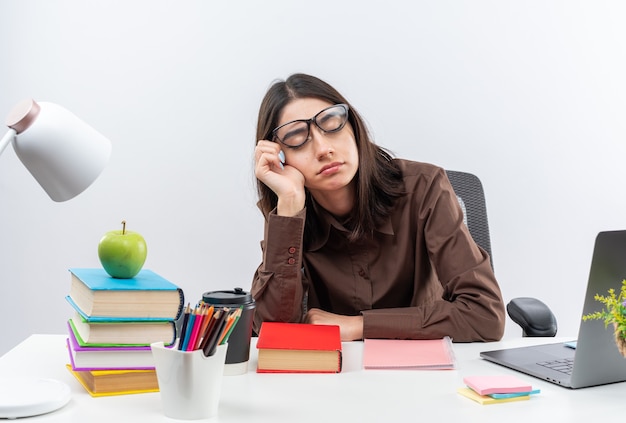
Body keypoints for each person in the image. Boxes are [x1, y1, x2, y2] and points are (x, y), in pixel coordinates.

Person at [251, 73, 505, 342]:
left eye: (331, 123)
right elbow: (272, 333)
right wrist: (289, 207)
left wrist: (357, 326)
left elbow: (485, 316)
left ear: (353, 126)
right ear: (280, 157)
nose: (324, 149)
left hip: (425, 371)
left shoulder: (424, 188)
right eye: (296, 137)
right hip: (336, 376)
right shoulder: (291, 211)